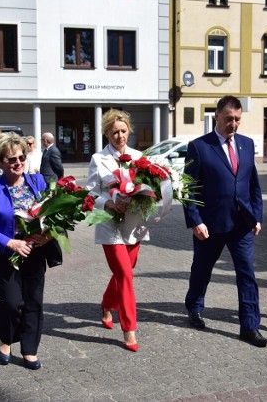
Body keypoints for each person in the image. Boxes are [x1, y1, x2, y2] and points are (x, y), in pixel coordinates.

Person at [183, 95, 267, 348]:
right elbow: (188, 188)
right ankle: (194, 307)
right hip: (210, 224)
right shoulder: (199, 146)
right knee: (202, 269)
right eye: (229, 118)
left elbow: (252, 183)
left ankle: (250, 326)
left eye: (238, 119)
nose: (233, 124)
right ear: (217, 116)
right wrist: (195, 220)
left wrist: (257, 216)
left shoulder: (246, 143)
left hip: (242, 223)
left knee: (247, 275)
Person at [0, 132, 62, 370]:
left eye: (21, 157)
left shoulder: (38, 182)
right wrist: (10, 243)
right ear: (0, 162)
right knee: (12, 302)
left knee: (33, 301)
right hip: (5, 251)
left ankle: (29, 349)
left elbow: (52, 215)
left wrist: (47, 235)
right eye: (11, 159)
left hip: (35, 250)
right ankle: (6, 338)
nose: (17, 163)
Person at [86, 109, 147, 352]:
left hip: (133, 223)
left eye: (123, 131)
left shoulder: (139, 156)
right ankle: (129, 329)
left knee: (125, 271)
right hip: (109, 223)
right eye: (114, 133)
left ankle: (106, 304)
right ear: (107, 134)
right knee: (125, 275)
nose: (120, 136)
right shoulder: (97, 158)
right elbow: (90, 193)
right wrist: (109, 202)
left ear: (129, 131)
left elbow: (148, 185)